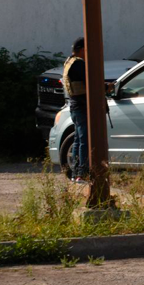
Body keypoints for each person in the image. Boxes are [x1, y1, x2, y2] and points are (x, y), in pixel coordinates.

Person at [63, 37, 91, 183]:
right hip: (81, 106)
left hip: (74, 106)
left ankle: (75, 173)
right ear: (82, 50)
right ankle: (81, 173)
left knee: (78, 139)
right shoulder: (79, 64)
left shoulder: (69, 61)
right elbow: (90, 83)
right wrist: (106, 88)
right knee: (84, 140)